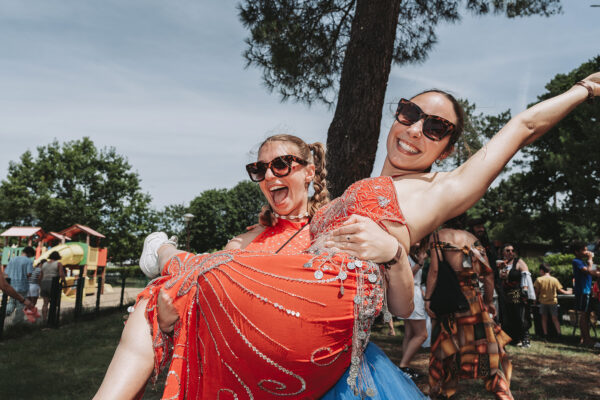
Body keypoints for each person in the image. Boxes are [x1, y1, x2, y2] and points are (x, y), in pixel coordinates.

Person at [101, 72, 599, 399]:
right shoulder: (359, 186)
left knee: (189, 275)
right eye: (408, 114)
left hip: (334, 303)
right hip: (303, 297)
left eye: (435, 127)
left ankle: (163, 252)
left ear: (447, 148)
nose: (414, 130)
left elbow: (526, 124)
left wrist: (586, 89)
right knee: (162, 299)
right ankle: (166, 262)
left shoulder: (444, 188)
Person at [95, 134, 424, 400]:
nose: (269, 176)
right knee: (192, 275)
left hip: (328, 376)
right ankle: (164, 253)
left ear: (309, 172)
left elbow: (401, 306)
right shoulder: (244, 241)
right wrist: (171, 321)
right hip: (248, 378)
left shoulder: (330, 229)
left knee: (189, 267)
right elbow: (214, 306)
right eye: (259, 169)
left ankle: (163, 252)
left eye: (281, 165)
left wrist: (394, 253)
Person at [424, 216, 512, 399]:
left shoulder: (438, 236)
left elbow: (434, 270)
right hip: (473, 302)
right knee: (488, 349)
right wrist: (488, 302)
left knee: (446, 346)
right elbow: (488, 275)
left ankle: (440, 391)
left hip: (449, 300)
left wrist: (428, 298)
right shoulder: (472, 239)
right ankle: (503, 392)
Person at [398, 241, 429, 380]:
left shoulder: (413, 255)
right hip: (411, 294)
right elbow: (407, 276)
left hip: (412, 293)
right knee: (422, 335)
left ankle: (405, 368)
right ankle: (403, 366)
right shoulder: (405, 255)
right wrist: (420, 263)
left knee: (409, 334)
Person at [498, 244, 535, 347]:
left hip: (517, 293)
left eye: (512, 250)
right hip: (504, 294)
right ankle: (514, 339)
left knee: (520, 315)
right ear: (503, 252)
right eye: (508, 250)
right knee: (507, 316)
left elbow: (526, 276)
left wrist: (526, 291)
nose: (511, 252)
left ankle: (525, 339)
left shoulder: (518, 262)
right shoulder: (500, 263)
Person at [571, 240, 599, 346]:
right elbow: (588, 271)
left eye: (587, 249)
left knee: (586, 314)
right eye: (584, 250)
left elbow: (592, 271)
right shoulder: (576, 261)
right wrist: (590, 259)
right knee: (584, 315)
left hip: (586, 290)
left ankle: (584, 339)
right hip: (582, 291)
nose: (586, 252)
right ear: (577, 252)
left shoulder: (583, 262)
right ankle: (587, 340)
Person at [533, 262, 571, 340]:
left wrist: (534, 302)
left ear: (541, 270)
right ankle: (559, 334)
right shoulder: (554, 279)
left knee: (544, 319)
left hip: (543, 302)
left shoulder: (539, 280)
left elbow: (536, 293)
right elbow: (561, 290)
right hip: (553, 302)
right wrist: (569, 292)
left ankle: (545, 334)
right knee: (555, 319)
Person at [4, 246, 35, 323]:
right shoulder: (28, 261)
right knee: (21, 305)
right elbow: (28, 274)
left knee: (11, 302)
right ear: (30, 253)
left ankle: (3, 314)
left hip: (12, 286)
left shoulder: (12, 259)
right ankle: (17, 323)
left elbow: (6, 273)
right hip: (22, 286)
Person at [40, 251, 66, 322]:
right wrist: (64, 281)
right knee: (54, 302)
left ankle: (44, 319)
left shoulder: (44, 264)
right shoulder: (58, 264)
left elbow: (40, 276)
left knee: (45, 303)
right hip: (53, 283)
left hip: (44, 283)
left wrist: (40, 285)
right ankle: (52, 319)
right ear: (58, 257)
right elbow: (61, 274)